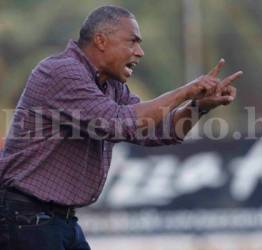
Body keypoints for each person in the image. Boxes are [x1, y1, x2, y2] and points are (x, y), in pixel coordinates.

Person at [0, 5, 242, 250]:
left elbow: (163, 130)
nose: (140, 52)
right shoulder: (61, 72)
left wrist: (199, 107)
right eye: (133, 42)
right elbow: (119, 123)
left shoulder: (111, 86)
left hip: (57, 221)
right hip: (26, 218)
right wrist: (185, 91)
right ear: (101, 40)